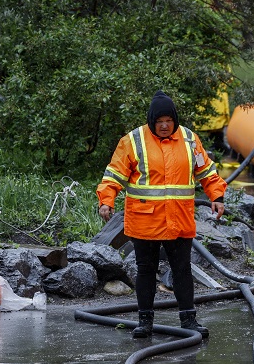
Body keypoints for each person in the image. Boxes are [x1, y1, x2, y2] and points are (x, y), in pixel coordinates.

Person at [97, 90, 227, 339]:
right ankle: (145, 322)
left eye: (169, 121)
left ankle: (189, 321)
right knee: (146, 270)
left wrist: (217, 197)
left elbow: (207, 171)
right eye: (160, 122)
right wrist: (106, 200)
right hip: (145, 220)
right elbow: (114, 175)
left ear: (175, 120)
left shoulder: (189, 139)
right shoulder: (133, 141)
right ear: (151, 121)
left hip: (179, 219)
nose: (165, 126)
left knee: (182, 270)